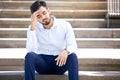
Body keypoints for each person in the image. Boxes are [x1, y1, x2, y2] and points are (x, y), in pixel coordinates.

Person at [25, 0, 79, 80]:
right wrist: (33, 27)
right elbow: (31, 50)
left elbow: (73, 45)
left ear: (48, 10)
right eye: (39, 16)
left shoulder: (64, 25)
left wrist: (66, 51)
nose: (43, 17)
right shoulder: (33, 28)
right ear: (35, 18)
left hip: (60, 62)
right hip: (43, 64)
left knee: (73, 56)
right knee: (29, 56)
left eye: (44, 13)